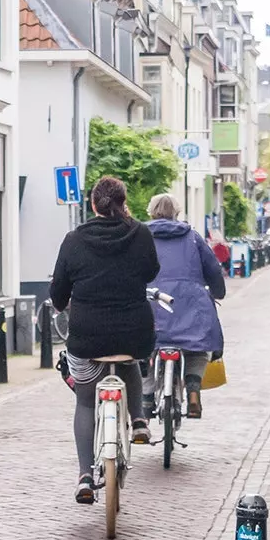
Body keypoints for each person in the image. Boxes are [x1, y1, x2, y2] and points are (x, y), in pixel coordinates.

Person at [49, 176, 161, 504]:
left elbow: (58, 294)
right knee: (129, 359)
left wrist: (64, 300)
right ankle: (139, 419)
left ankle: (85, 475)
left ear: (94, 204)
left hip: (87, 337)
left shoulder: (74, 239)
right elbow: (152, 272)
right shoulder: (140, 233)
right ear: (124, 202)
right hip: (134, 332)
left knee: (85, 401)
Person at [144, 194, 226, 420]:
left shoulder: (139, 236)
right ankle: (193, 390)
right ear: (177, 213)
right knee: (199, 346)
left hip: (151, 304)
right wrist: (218, 292)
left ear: (151, 212)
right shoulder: (192, 237)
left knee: (143, 346)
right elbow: (213, 269)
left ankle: (146, 396)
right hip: (190, 305)